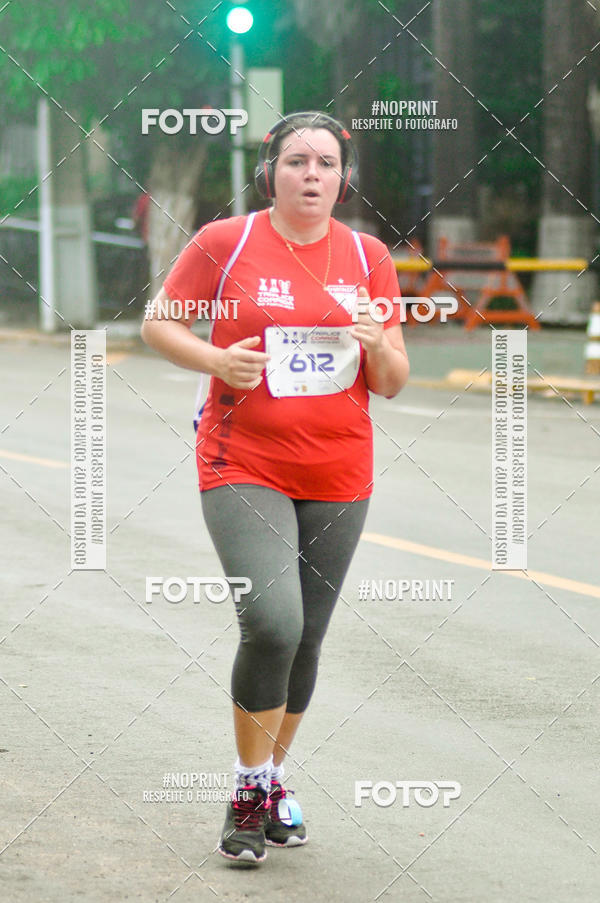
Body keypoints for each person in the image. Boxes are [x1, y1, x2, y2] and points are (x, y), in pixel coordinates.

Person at [141, 111, 409, 865]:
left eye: (327, 162)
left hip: (340, 470)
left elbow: (391, 380)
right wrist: (214, 359)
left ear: (344, 176)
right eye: (297, 161)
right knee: (273, 621)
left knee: (309, 638)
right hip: (242, 459)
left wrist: (375, 342)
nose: (313, 175)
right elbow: (159, 324)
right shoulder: (226, 243)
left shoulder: (367, 256)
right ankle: (251, 783)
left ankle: (267, 781)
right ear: (271, 171)